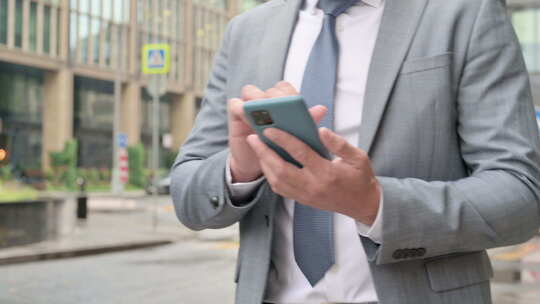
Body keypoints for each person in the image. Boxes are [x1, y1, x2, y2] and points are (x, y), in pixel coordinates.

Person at [171, 0, 540, 303]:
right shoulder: (246, 31)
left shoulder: (465, 12)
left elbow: (521, 195)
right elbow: (188, 195)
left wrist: (375, 203)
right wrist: (241, 168)